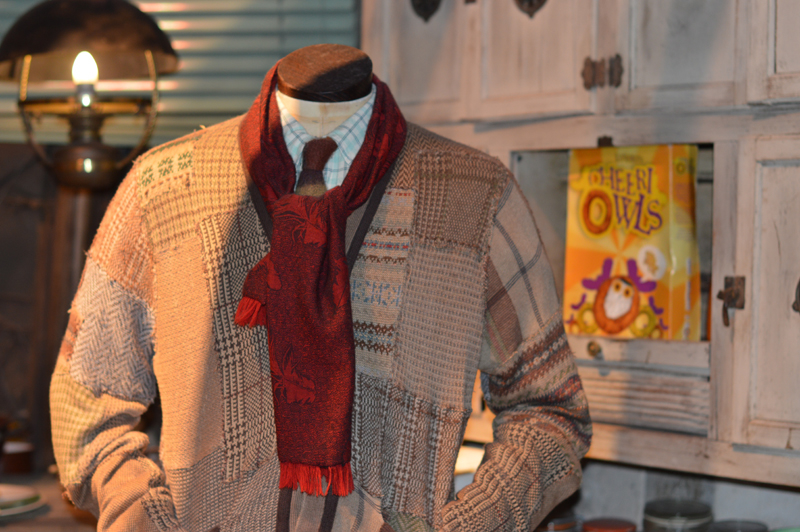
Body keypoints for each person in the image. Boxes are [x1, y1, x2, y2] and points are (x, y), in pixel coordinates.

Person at [50, 44, 591, 532]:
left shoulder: (474, 197)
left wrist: (469, 526)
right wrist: (146, 520)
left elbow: (549, 410)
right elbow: (85, 399)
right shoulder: (163, 189)